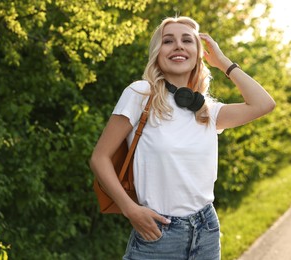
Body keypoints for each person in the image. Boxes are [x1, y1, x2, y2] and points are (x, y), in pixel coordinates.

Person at [90, 16, 276, 260]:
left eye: (187, 40)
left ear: (198, 53)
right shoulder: (140, 94)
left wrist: (223, 62)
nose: (178, 45)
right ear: (158, 52)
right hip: (158, 232)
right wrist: (130, 210)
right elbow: (99, 158)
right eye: (168, 41)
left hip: (206, 229)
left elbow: (264, 104)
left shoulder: (207, 110)